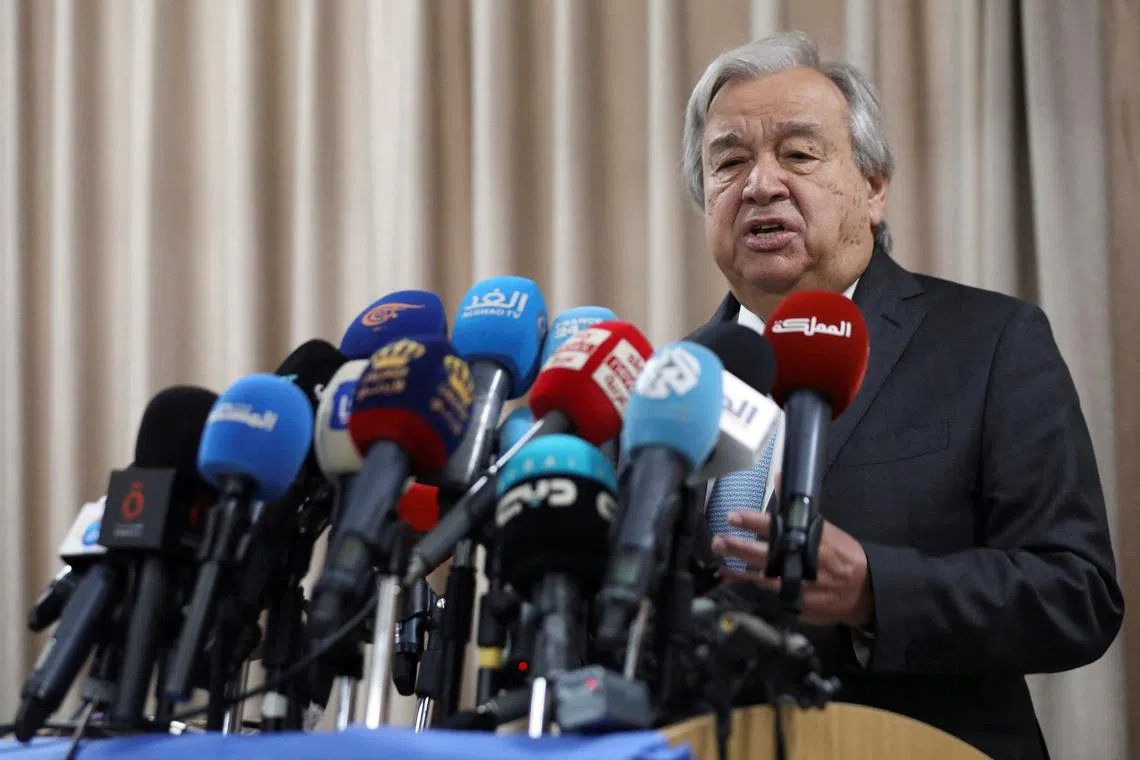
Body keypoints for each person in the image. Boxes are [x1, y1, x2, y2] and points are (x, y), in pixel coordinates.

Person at [683, 32, 1123, 760]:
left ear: (874, 188)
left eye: (797, 154)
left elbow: (1075, 593)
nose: (760, 184)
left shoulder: (988, 340)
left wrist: (874, 593)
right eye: (728, 162)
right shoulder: (670, 382)